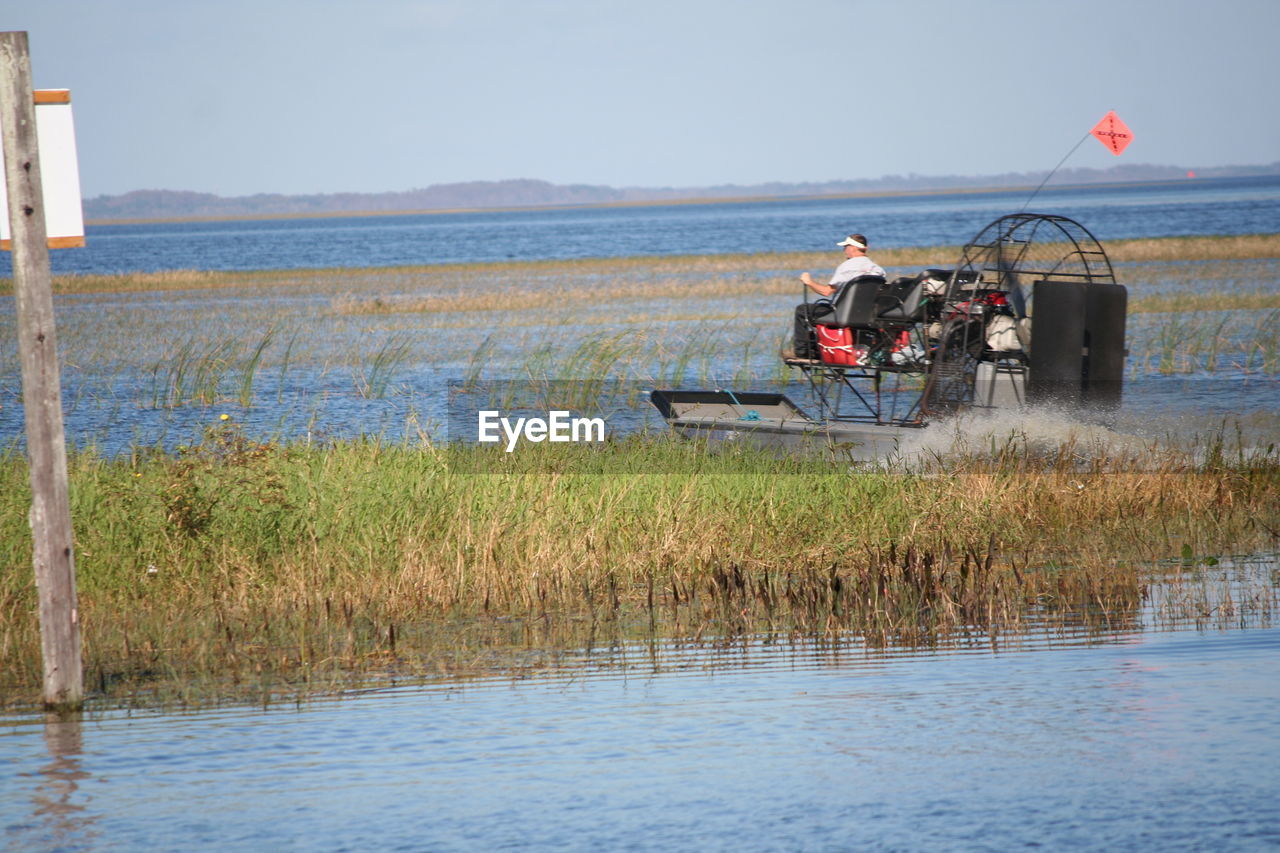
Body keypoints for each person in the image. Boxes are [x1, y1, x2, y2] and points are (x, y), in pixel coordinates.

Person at [788, 233, 886, 360]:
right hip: (866, 316)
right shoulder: (878, 270)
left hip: (841, 314)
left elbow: (826, 292)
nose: (844, 250)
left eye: (846, 247)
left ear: (853, 248)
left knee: (802, 310)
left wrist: (809, 282)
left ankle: (802, 352)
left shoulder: (847, 266)